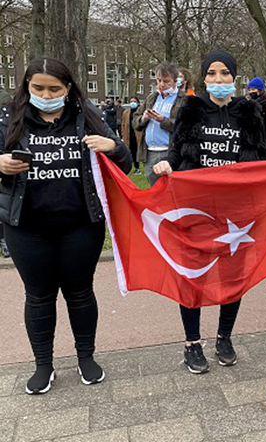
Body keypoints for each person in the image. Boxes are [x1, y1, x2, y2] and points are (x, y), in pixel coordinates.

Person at [0, 57, 132, 394]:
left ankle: (85, 357)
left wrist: (114, 146)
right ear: (27, 87)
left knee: (80, 293)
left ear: (68, 88)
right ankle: (43, 364)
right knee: (39, 297)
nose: (46, 94)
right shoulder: (9, 118)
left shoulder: (88, 117)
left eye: (54, 89)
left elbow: (126, 164)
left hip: (80, 226)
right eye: (38, 88)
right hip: (27, 228)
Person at [153, 50, 266, 374]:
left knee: (234, 276)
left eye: (225, 74)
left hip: (236, 212)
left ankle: (224, 337)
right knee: (193, 276)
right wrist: (168, 163)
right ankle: (192, 343)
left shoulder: (249, 113)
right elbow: (177, 150)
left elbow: (261, 157)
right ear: (204, 78)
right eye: (212, 74)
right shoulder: (191, 110)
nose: (219, 80)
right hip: (196, 209)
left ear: (235, 78)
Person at [133, 62, 186, 186]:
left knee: (171, 189)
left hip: (169, 152)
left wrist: (164, 121)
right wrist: (144, 118)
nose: (161, 84)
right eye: (159, 80)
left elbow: (185, 127)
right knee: (154, 190)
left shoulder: (183, 99)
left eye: (166, 81)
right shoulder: (152, 97)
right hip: (149, 152)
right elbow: (135, 120)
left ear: (175, 81)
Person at [121, 96, 142, 175]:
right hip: (129, 135)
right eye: (131, 101)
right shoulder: (126, 113)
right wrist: (123, 134)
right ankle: (135, 168)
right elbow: (123, 124)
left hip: (138, 135)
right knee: (131, 152)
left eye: (134, 101)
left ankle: (138, 167)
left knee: (138, 151)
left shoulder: (140, 112)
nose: (132, 103)